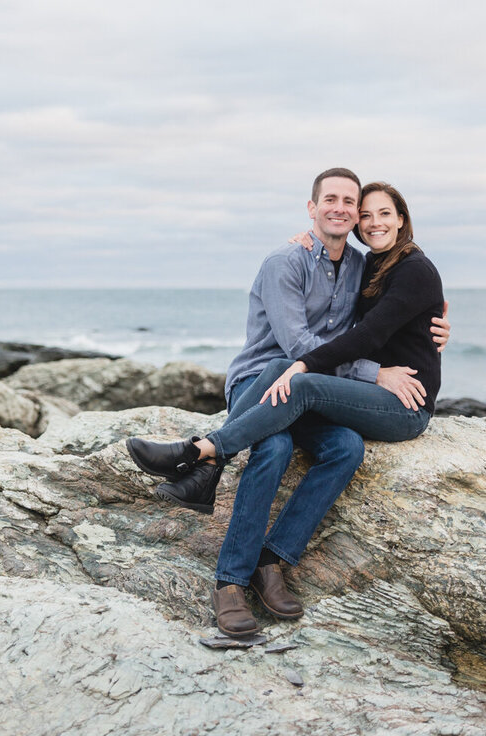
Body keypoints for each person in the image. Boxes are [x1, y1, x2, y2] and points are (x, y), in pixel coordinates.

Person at [127, 170, 448, 637]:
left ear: (394, 220)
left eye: (351, 204)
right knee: (276, 438)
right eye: (332, 201)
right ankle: (230, 582)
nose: (344, 210)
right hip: (259, 383)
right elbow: (297, 346)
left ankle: (252, 531)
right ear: (312, 207)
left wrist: (437, 320)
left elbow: (390, 315)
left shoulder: (363, 266)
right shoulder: (285, 261)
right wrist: (372, 371)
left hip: (306, 389)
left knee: (346, 448)